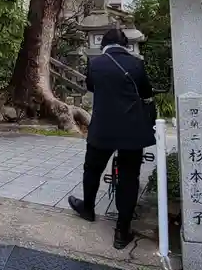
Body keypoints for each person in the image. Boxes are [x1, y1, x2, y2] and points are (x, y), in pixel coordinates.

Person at [68, 28, 156, 250]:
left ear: (104, 45)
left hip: (102, 129)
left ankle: (88, 208)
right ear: (125, 45)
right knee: (129, 177)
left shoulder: (96, 63)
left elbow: (90, 86)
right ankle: (121, 231)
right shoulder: (136, 64)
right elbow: (146, 93)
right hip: (132, 131)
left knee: (92, 168)